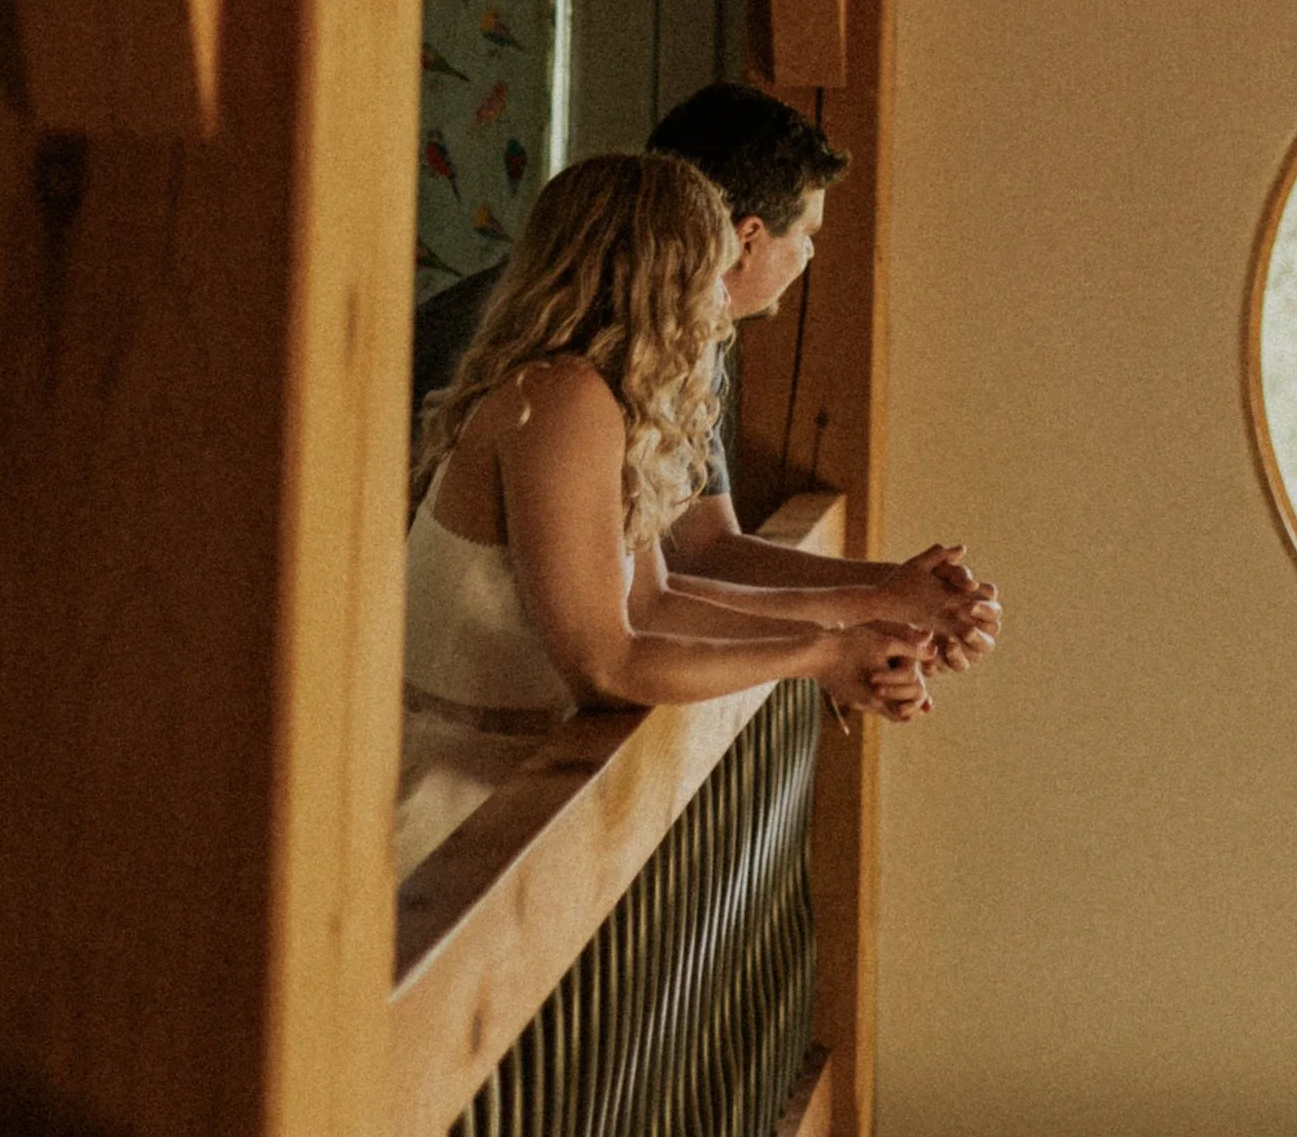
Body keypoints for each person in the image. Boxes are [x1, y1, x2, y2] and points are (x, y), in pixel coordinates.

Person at [397, 149, 938, 877]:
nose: (722, 304)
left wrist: (843, 638)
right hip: (431, 805)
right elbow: (606, 663)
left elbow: (652, 600)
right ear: (657, 278)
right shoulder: (562, 402)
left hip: (486, 790)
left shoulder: (590, 396)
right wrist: (822, 651)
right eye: (713, 275)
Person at [417, 82, 1001, 668]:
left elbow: (656, 591)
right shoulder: (562, 381)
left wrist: (883, 611)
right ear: (741, 240)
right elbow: (633, 628)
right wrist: (861, 621)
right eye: (808, 235)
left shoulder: (660, 346)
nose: (809, 256)